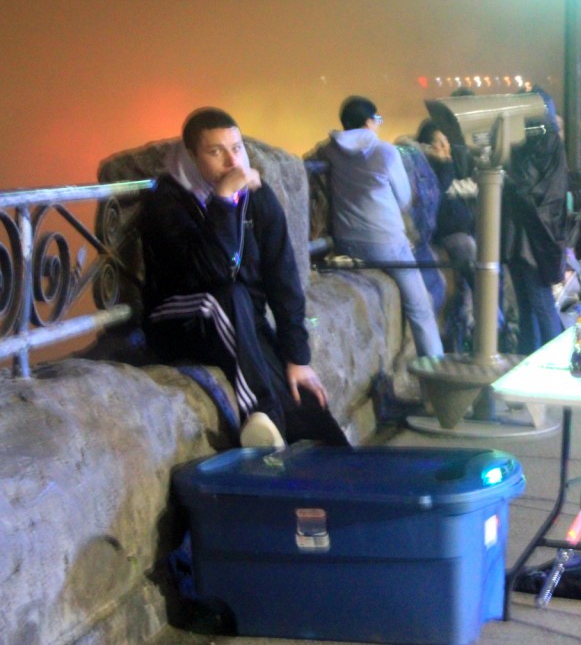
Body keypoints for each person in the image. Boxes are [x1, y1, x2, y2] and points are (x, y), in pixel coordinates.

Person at [139, 107, 348, 448]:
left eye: (236, 148)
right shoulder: (168, 201)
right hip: (178, 316)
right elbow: (209, 272)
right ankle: (263, 421)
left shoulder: (258, 196)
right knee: (228, 296)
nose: (231, 161)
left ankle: (341, 471)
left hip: (236, 317)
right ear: (192, 156)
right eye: (215, 151)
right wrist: (223, 201)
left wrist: (297, 358)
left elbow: (283, 276)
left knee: (302, 397)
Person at [321, 96, 443, 358]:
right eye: (377, 119)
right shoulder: (385, 152)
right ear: (369, 122)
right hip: (386, 244)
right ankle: (435, 374)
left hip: (346, 242)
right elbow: (404, 198)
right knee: (420, 308)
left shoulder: (330, 151)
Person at [501, 92, 569, 355]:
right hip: (528, 233)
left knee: (539, 303)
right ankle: (528, 358)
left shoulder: (543, 142)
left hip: (532, 237)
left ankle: (552, 361)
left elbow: (528, 185)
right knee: (528, 304)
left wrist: (508, 172)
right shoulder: (544, 140)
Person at [416, 120, 478, 351]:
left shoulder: (446, 164)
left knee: (468, 284)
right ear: (427, 147)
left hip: (460, 233)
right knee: (473, 272)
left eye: (446, 143)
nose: (446, 148)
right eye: (440, 144)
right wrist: (444, 163)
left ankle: (466, 327)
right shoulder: (428, 168)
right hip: (448, 236)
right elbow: (440, 192)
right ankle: (476, 325)